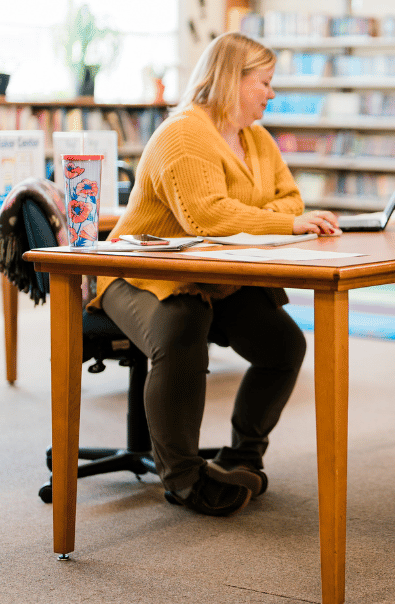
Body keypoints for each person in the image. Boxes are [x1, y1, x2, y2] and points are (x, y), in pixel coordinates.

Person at [92, 32, 340, 517]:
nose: (272, 93)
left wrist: (262, 215)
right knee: (182, 327)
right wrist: (276, 220)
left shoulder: (257, 138)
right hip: (137, 272)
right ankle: (184, 479)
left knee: (283, 345)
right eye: (264, 82)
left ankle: (242, 457)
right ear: (232, 79)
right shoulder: (183, 134)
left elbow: (291, 200)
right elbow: (207, 217)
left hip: (214, 273)